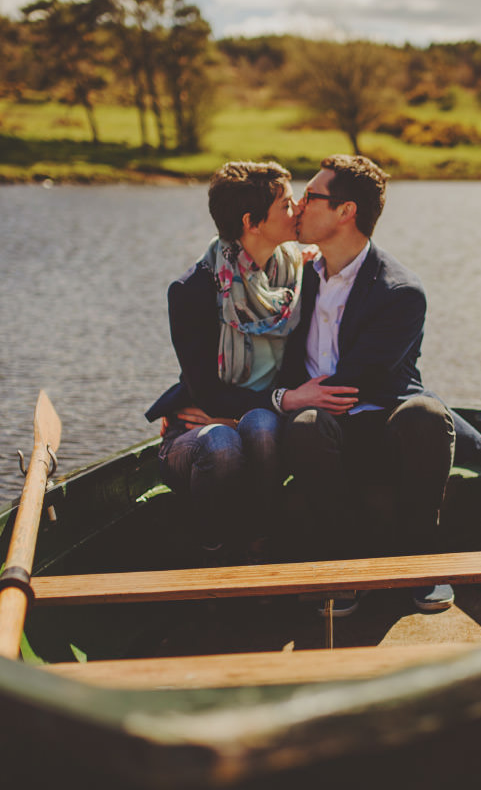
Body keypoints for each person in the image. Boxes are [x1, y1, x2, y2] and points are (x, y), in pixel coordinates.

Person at [273, 154, 481, 614]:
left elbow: (357, 382)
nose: (298, 206)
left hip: (382, 425)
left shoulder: (399, 291)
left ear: (345, 211)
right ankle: (343, 565)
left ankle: (421, 563)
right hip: (319, 431)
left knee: (427, 416)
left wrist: (298, 397)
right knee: (307, 425)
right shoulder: (296, 277)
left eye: (310, 196)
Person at [145, 161, 351, 554]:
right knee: (223, 442)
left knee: (257, 425)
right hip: (196, 432)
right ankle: (213, 553)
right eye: (287, 205)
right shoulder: (193, 290)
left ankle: (261, 544)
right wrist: (275, 404)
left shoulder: (295, 275)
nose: (299, 210)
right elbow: (205, 393)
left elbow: (290, 370)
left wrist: (242, 413)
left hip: (260, 425)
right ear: (252, 222)